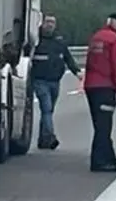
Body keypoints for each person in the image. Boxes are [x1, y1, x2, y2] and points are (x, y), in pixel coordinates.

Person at [82, 13, 116, 172]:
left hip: (90, 86)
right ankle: (100, 161)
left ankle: (108, 159)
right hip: (105, 87)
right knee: (104, 127)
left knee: (99, 125)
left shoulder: (97, 37)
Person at [31, 16, 80, 150]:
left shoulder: (59, 42)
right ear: (43, 23)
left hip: (55, 82)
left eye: (53, 22)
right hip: (40, 81)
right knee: (46, 109)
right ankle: (51, 137)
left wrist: (77, 72)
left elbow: (68, 58)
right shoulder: (36, 41)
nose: (50, 25)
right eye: (48, 22)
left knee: (48, 111)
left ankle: (43, 140)